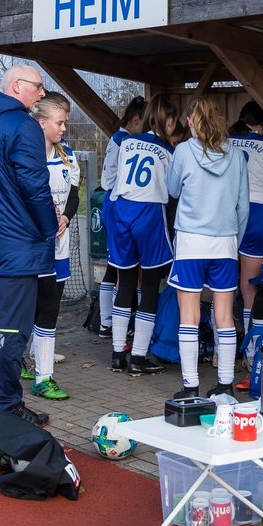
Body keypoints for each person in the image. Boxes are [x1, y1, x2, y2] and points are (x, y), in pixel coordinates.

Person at [0, 64, 57, 428]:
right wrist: (50, 227)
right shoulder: (23, 126)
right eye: (38, 86)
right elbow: (34, 185)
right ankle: (9, 403)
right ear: (17, 86)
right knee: (14, 329)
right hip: (18, 241)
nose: (42, 93)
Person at [166, 95, 249, 399]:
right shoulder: (237, 155)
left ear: (190, 120)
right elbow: (243, 206)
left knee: (189, 316)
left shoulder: (183, 151)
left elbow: (172, 190)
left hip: (190, 241)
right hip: (225, 241)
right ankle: (225, 385)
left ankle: (190, 387)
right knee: (224, 317)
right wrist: (233, 239)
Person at [105, 94, 176, 376]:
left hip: (121, 209)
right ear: (167, 120)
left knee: (124, 282)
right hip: (149, 212)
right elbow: (173, 192)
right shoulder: (169, 151)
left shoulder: (126, 142)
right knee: (148, 286)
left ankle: (116, 353)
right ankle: (138, 357)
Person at [22, 94, 80, 400]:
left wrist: (66, 218)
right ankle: (40, 374)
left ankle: (39, 370)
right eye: (59, 122)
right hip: (31, 246)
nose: (63, 129)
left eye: (65, 122)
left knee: (51, 305)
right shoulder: (24, 156)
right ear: (41, 123)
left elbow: (74, 194)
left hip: (59, 246)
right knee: (36, 305)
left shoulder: (68, 156)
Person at [227, 100, 263, 348]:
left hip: (227, 209)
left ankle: (223, 346)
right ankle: (252, 349)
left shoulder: (226, 142)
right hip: (257, 211)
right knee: (250, 284)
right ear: (262, 124)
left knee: (224, 282)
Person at [96, 96, 147, 340]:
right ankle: (112, 321)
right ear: (136, 119)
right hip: (117, 204)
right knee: (122, 268)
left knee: (116, 266)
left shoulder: (119, 137)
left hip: (113, 203)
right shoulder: (126, 140)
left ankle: (108, 321)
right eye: (145, 123)